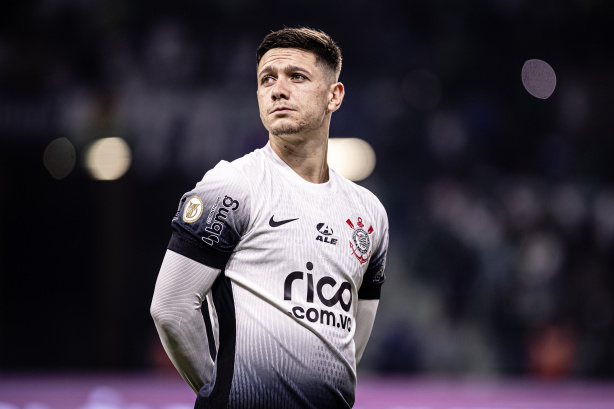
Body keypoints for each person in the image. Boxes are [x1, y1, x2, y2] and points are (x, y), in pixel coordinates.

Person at [150, 27, 389, 409]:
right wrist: (223, 394)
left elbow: (352, 340)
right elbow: (171, 308)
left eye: (296, 76)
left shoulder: (369, 214)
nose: (278, 89)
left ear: (334, 96)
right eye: (267, 79)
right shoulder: (232, 185)